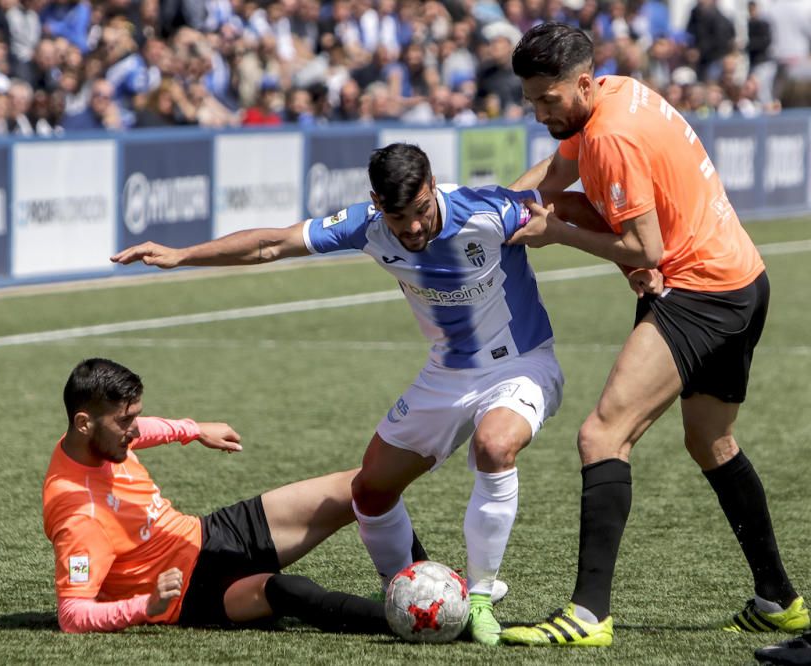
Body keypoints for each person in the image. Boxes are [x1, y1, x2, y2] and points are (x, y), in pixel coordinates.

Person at [112, 142, 569, 645]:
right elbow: (272, 244)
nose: (413, 228)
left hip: (520, 364)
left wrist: (635, 260)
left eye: (420, 211)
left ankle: (480, 597)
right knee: (369, 491)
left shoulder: (487, 211)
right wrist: (183, 255)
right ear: (377, 203)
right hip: (446, 373)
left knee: (494, 445)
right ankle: (402, 588)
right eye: (399, 218)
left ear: (433, 187)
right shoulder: (366, 225)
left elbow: (562, 201)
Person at [498, 22, 808, 647]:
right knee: (711, 441)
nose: (537, 112)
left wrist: (556, 234)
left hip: (700, 292)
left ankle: (588, 614)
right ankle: (779, 599)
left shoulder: (611, 134)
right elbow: (556, 179)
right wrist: (497, 203)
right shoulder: (611, 94)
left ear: (582, 83)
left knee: (601, 434)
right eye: (529, 99)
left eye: (547, 100)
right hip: (742, 278)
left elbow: (646, 248)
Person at [44, 357, 397, 634]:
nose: (134, 430)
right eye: (125, 422)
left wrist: (193, 430)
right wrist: (145, 606)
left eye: (134, 416)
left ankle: (417, 580)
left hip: (209, 533)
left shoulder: (94, 440)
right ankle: (415, 619)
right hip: (192, 593)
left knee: (365, 485)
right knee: (294, 592)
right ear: (84, 423)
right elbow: (73, 615)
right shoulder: (79, 515)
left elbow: (141, 430)